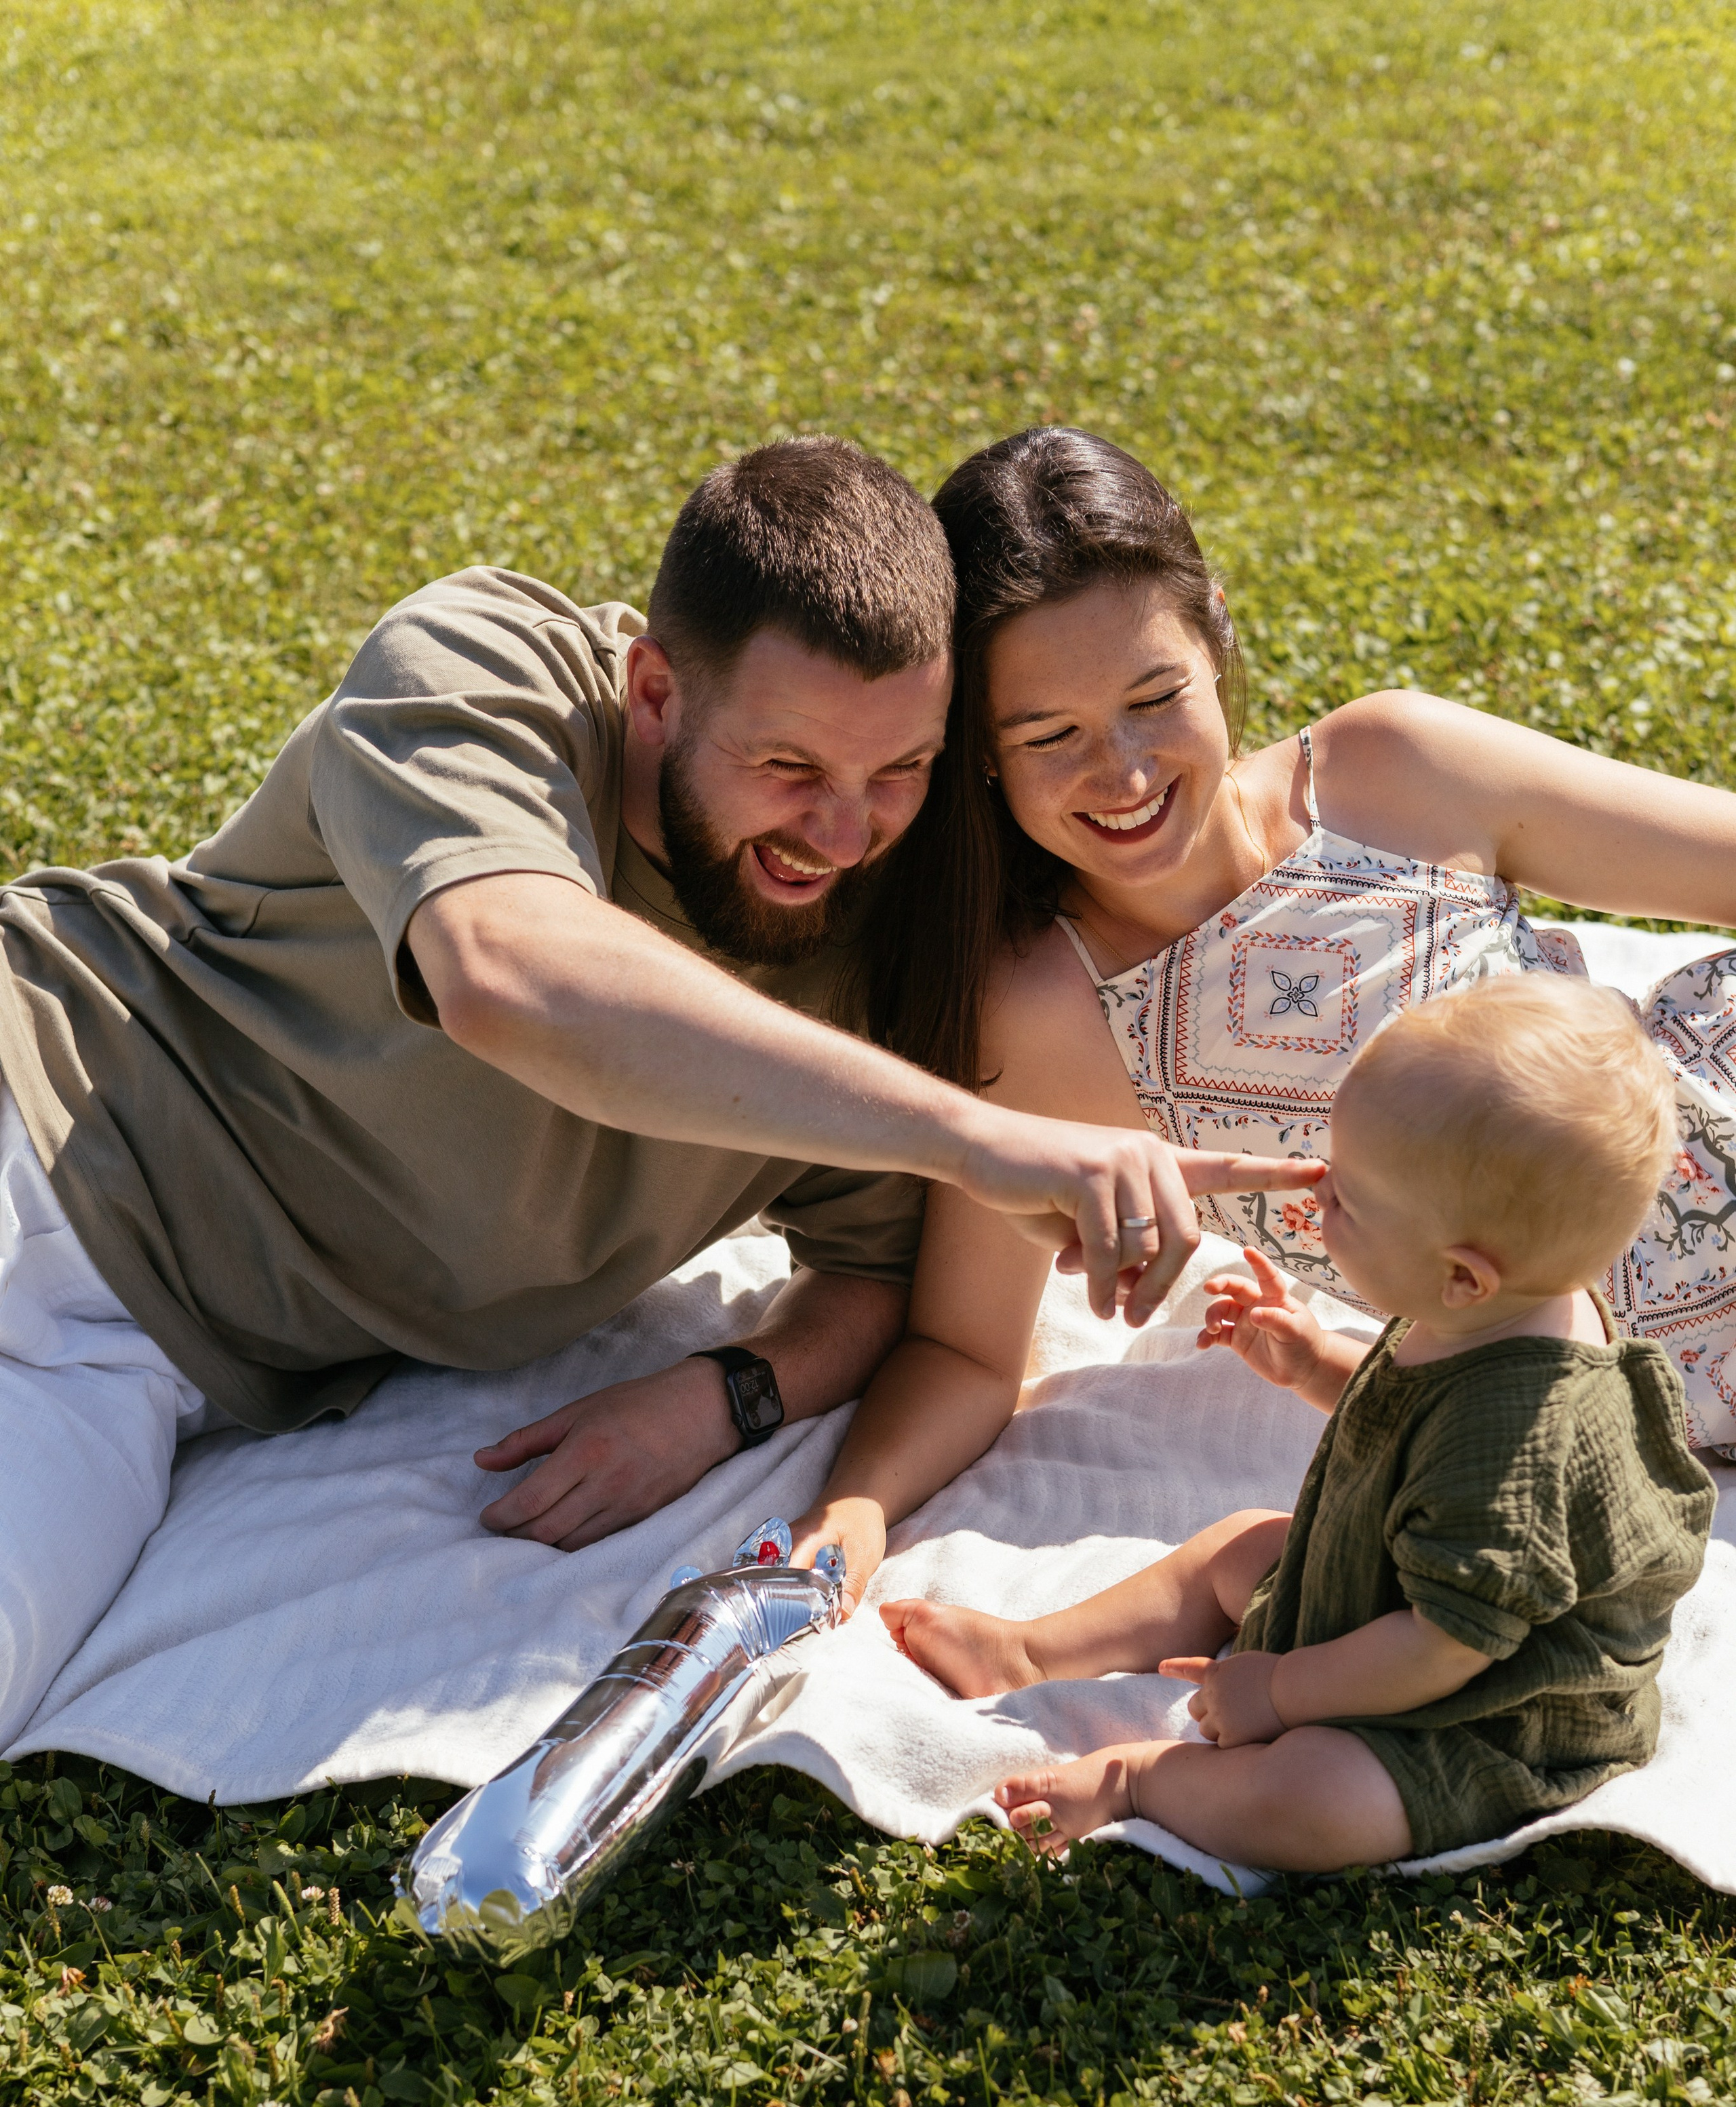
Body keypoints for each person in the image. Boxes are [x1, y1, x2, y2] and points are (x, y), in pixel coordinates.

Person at [0, 435, 1320, 1750]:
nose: (844, 835)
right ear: (652, 691)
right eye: (789, 769)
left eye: (899, 772)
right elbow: (507, 973)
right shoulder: (486, 671)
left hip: (139, 1367)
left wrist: (724, 1395)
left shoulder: (874, 957)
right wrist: (984, 1141)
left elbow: (875, 1282)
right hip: (38, 1111)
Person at [791, 425, 1736, 1602]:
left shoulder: (1390, 770)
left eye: (1155, 698)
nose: (1125, 772)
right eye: (1050, 738)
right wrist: (847, 1525)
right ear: (980, 754)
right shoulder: (1042, 1014)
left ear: (1216, 633)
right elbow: (968, 1350)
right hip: (1654, 1381)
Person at [882, 981, 1716, 1872]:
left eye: (1350, 1199)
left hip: (1488, 1707)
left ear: (1463, 1277)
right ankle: (1027, 1655)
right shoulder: (1500, 1306)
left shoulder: (1517, 1449)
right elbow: (1418, 1416)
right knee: (1244, 1548)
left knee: (1317, 1797)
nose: (1321, 1193)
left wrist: (1279, 1691)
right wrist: (1315, 1360)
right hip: (1402, 1595)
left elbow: (1446, 1645)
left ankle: (1141, 1780)